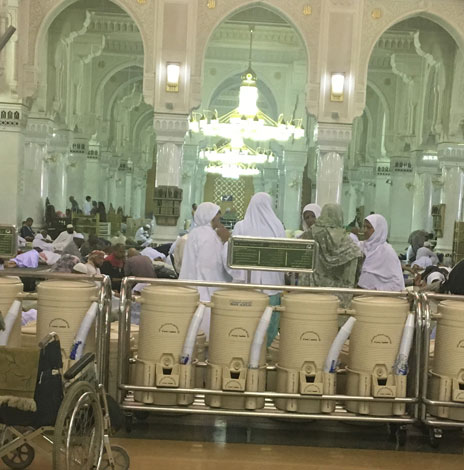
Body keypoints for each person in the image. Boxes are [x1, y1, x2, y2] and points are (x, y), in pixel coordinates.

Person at [227, 192, 286, 345]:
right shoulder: (277, 225)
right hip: (272, 286)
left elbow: (233, 256)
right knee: (269, 325)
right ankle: (264, 358)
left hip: (247, 287)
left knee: (247, 326)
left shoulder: (241, 226)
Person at [179, 202, 231, 338]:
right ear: (212, 217)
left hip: (190, 287)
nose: (219, 222)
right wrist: (226, 242)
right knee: (205, 332)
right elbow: (209, 267)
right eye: (218, 218)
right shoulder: (209, 236)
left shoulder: (195, 233)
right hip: (205, 290)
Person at [300, 204, 363, 306]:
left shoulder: (310, 234)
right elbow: (356, 256)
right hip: (336, 297)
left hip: (311, 291)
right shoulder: (345, 239)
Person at [358, 214, 405, 291]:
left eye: (369, 227)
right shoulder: (360, 246)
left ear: (379, 229)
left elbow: (397, 283)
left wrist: (374, 290)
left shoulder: (387, 251)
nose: (365, 230)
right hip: (358, 295)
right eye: (364, 226)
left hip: (379, 298)